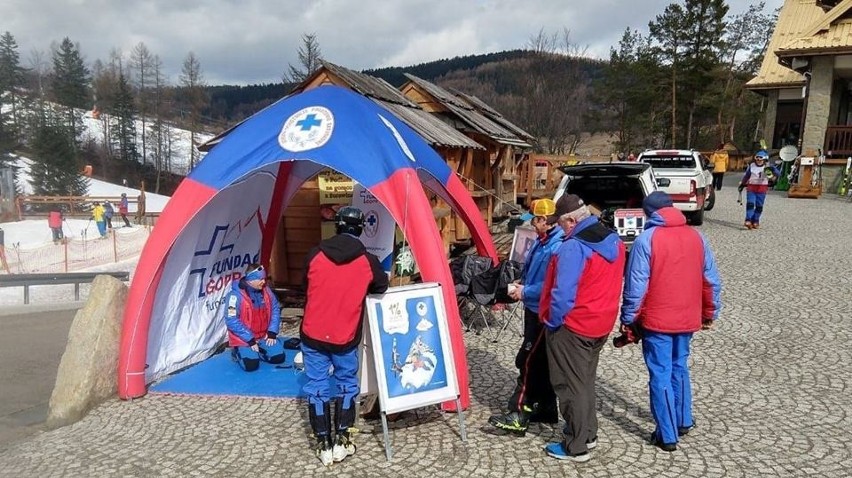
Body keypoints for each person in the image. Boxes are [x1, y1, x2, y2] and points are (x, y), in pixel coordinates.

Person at [619, 191, 721, 452]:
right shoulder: (697, 237)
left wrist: (629, 318)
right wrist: (710, 312)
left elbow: (636, 285)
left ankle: (667, 433)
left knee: (660, 373)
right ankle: (684, 419)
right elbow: (710, 279)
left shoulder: (646, 240)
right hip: (687, 317)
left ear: (648, 213)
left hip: (657, 319)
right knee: (680, 367)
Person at [539, 194, 626, 462]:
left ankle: (575, 446)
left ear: (569, 219)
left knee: (568, 385)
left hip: (574, 325)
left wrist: (553, 321)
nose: (560, 228)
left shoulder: (573, 247)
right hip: (601, 322)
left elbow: (563, 293)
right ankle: (588, 432)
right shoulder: (614, 240)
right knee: (585, 380)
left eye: (561, 223)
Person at [300, 206, 389, 466]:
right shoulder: (368, 261)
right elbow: (381, 285)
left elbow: (306, 286)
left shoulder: (314, 254)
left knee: (317, 387)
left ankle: (323, 442)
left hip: (313, 332)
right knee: (346, 384)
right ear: (360, 229)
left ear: (336, 226)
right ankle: (343, 439)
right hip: (345, 335)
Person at [488, 199, 564, 435]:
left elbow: (553, 286)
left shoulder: (557, 246)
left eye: (535, 220)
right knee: (541, 361)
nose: (531, 224)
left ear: (545, 221)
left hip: (543, 311)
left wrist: (525, 291)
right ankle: (547, 408)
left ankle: (518, 412)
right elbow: (534, 272)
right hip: (532, 308)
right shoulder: (542, 241)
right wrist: (522, 281)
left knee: (527, 360)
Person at [224, 263, 285, 372]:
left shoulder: (266, 291)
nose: (264, 282)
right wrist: (250, 339)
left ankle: (260, 351)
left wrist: (272, 332)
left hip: (264, 336)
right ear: (251, 280)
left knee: (278, 358)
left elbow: (275, 309)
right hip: (245, 339)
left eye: (264, 278)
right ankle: (237, 351)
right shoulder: (234, 296)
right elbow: (231, 320)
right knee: (251, 366)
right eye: (260, 279)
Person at [738, 150, 780, 229]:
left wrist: (773, 169)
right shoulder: (752, 166)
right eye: (757, 158)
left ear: (764, 159)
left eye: (761, 159)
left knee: (759, 206)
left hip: (762, 189)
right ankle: (748, 220)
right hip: (751, 188)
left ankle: (756, 220)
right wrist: (742, 183)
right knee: (750, 204)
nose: (759, 160)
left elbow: (778, 174)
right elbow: (747, 176)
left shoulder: (768, 166)